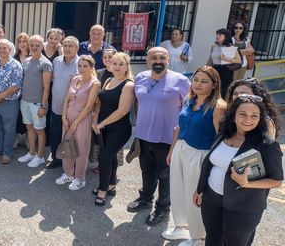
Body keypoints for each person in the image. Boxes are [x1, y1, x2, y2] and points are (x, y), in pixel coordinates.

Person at [194, 97, 283, 246]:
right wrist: (199, 189)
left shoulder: (267, 145)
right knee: (212, 238)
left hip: (243, 206)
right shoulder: (224, 132)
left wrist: (246, 183)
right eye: (243, 114)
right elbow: (209, 164)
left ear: (260, 118)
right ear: (233, 115)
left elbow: (276, 181)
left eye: (254, 115)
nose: (248, 119)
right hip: (212, 198)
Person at [163, 66, 226, 244]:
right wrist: (171, 150)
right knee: (177, 190)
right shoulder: (189, 99)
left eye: (204, 81)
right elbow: (179, 127)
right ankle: (181, 226)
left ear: (214, 85)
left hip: (200, 155)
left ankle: (198, 236)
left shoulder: (218, 107)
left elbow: (220, 140)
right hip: (181, 149)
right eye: (196, 80)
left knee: (195, 196)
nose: (198, 84)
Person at [128, 47, 191, 225]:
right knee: (147, 171)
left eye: (162, 57)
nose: (158, 61)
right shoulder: (140, 78)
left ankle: (163, 209)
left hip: (167, 138)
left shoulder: (181, 81)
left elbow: (189, 108)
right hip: (143, 135)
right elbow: (139, 104)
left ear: (168, 60)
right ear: (147, 61)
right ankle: (145, 199)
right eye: (153, 58)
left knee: (165, 176)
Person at [92, 52, 135, 205]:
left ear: (126, 67)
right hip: (103, 127)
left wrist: (102, 123)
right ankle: (111, 186)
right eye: (114, 63)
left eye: (120, 64)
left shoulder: (128, 85)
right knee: (109, 157)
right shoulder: (108, 80)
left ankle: (102, 190)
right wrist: (95, 119)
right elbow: (99, 102)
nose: (117, 66)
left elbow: (122, 111)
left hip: (119, 129)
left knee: (103, 158)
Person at [57, 55, 100, 190]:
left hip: (82, 119)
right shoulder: (75, 79)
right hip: (68, 116)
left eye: (85, 66)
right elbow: (67, 99)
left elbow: (88, 106)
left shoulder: (95, 83)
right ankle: (68, 173)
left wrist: (75, 123)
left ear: (91, 67)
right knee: (67, 145)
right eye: (80, 66)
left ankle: (80, 178)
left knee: (82, 148)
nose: (81, 68)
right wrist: (64, 117)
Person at [17, 35, 52, 168]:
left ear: (42, 46)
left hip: (38, 104)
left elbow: (47, 87)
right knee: (29, 129)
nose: (35, 48)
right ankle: (31, 153)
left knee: (40, 131)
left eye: (38, 45)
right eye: (32, 45)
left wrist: (43, 106)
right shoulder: (27, 60)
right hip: (25, 101)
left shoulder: (45, 63)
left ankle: (40, 156)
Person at [48, 36, 81, 170]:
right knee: (55, 135)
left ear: (77, 48)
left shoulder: (81, 63)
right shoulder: (56, 61)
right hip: (56, 107)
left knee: (71, 137)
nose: (67, 48)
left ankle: (71, 165)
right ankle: (56, 160)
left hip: (72, 109)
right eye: (65, 45)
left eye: (71, 46)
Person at [207, 28, 241, 99]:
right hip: (215, 69)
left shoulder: (231, 47)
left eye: (220, 35)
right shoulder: (214, 46)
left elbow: (238, 60)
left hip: (226, 70)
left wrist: (226, 59)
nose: (217, 36)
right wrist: (206, 69)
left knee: (224, 91)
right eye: (217, 34)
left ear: (226, 36)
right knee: (213, 89)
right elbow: (210, 59)